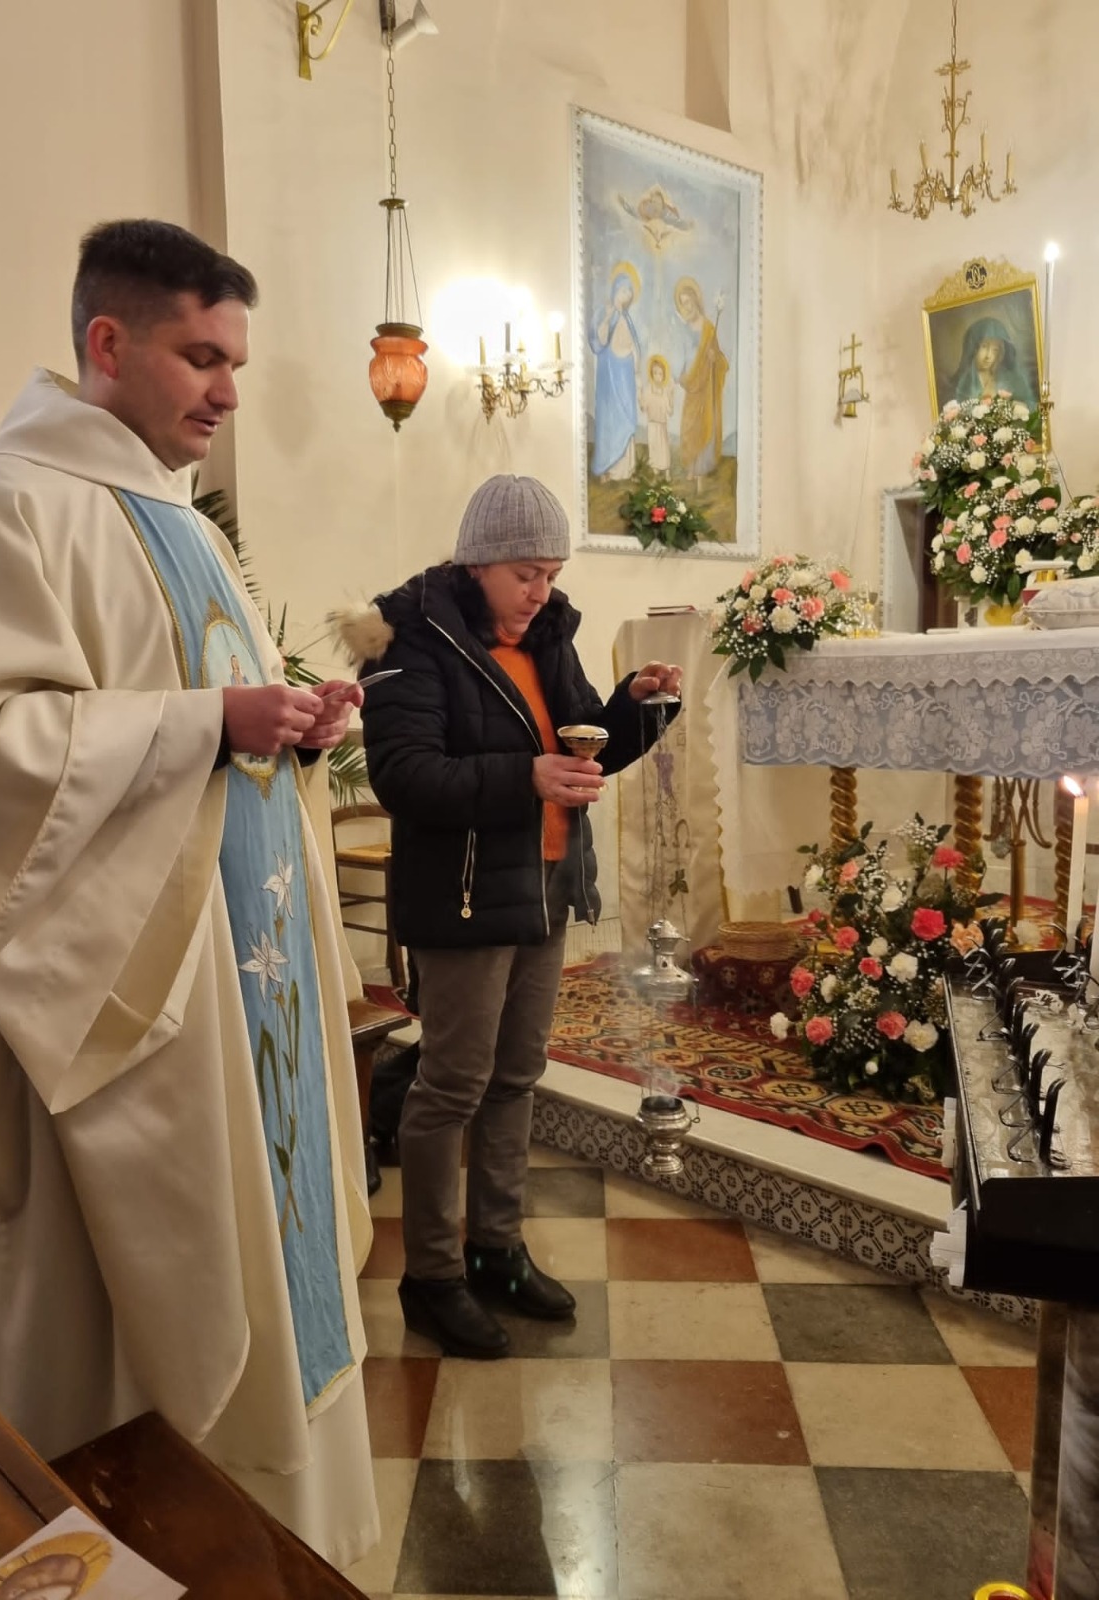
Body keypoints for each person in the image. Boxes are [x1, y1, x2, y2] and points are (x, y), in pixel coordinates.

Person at [0, 219, 378, 1566]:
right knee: (110, 1329)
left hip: (240, 991)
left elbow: (217, 725)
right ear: (106, 342)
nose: (228, 393)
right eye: (201, 357)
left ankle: (263, 1554)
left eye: (236, 364)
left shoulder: (187, 526)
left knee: (266, 1263)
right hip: (120, 1011)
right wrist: (209, 721)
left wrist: (291, 727)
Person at [342, 474, 681, 1359]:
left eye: (552, 573)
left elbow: (578, 744)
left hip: (544, 886)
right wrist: (524, 777)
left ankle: (496, 1249)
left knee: (517, 1075)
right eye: (526, 573)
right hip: (462, 895)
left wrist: (636, 709)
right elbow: (404, 775)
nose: (541, 590)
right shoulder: (412, 639)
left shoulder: (547, 636)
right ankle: (432, 1277)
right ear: (478, 563)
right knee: (452, 1084)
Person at [674, 276, 728, 482]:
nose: (687, 307)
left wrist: (715, 359)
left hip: (705, 384)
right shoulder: (684, 329)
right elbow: (681, 354)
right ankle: (691, 465)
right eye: (683, 303)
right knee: (690, 424)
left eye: (689, 301)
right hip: (691, 381)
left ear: (696, 300)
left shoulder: (709, 329)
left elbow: (720, 359)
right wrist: (680, 374)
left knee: (703, 423)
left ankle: (701, 468)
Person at [589, 270, 642, 480]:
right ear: (615, 291)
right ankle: (608, 468)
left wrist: (636, 364)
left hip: (626, 373)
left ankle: (626, 469)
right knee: (611, 418)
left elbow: (633, 344)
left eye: (629, 292)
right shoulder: (606, 312)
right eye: (623, 291)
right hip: (610, 373)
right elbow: (599, 341)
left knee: (627, 416)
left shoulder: (627, 318)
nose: (626, 295)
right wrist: (608, 317)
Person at [950, 314, 1036, 407]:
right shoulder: (961, 382)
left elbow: (1031, 406)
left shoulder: (1011, 378)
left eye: (995, 350)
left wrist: (1016, 406)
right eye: (984, 346)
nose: (988, 356)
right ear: (974, 348)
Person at [639, 354, 675, 473]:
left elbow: (670, 412)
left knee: (663, 448)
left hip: (662, 424)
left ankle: (666, 471)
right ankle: (655, 470)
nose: (657, 376)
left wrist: (671, 395)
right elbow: (643, 408)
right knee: (653, 447)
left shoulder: (665, 391)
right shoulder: (648, 390)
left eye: (660, 373)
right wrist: (639, 395)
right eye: (655, 373)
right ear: (651, 373)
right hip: (652, 424)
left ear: (664, 375)